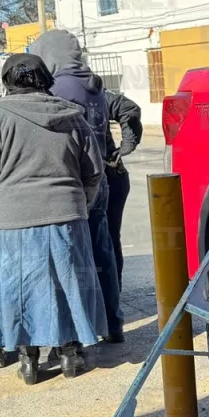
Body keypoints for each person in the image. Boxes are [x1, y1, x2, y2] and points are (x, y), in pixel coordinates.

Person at [0, 54, 107, 383]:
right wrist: (78, 204)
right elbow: (93, 171)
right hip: (66, 215)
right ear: (47, 80)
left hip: (9, 221)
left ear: (7, 82)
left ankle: (28, 360)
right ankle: (70, 354)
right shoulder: (73, 117)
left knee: (19, 290)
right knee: (66, 285)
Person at [29, 30, 124, 343]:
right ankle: (113, 323)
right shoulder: (92, 84)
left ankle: (76, 332)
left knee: (70, 260)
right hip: (98, 181)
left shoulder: (57, 88)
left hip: (70, 184)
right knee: (103, 252)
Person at [95, 76, 142, 281]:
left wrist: (126, 146)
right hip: (104, 177)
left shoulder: (94, 95)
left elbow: (129, 108)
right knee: (107, 239)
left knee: (107, 239)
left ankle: (112, 295)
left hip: (108, 177)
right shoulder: (89, 94)